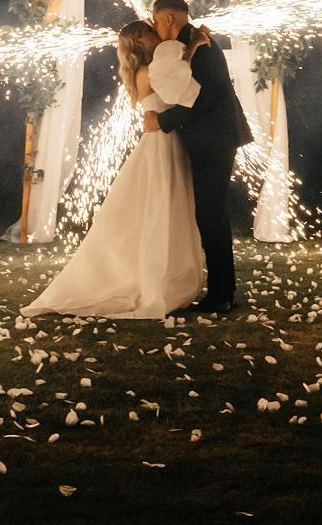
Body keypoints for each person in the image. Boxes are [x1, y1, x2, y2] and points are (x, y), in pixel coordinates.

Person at [22, 21, 204, 319]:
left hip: (164, 142)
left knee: (168, 208)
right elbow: (178, 92)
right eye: (150, 33)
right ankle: (156, 280)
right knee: (160, 209)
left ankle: (170, 277)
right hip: (161, 145)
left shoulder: (146, 70)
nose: (156, 35)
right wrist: (190, 51)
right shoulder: (149, 72)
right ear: (140, 43)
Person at [145, 0, 254, 314]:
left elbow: (203, 99)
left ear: (168, 18)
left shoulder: (201, 46)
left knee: (211, 215)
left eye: (155, 20)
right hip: (210, 139)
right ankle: (222, 290)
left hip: (216, 140)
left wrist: (162, 121)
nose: (154, 28)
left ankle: (220, 295)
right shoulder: (190, 43)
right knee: (209, 214)